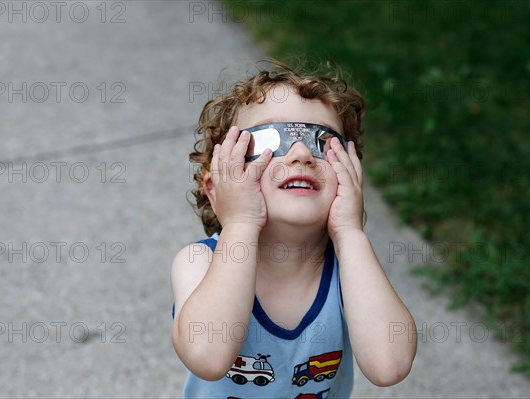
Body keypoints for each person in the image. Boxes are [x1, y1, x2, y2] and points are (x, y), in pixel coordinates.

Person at [171, 61, 416, 398]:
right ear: (217, 188)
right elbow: (207, 356)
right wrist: (241, 223)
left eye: (322, 142)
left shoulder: (350, 269)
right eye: (271, 140)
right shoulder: (199, 260)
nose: (301, 154)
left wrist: (349, 232)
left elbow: (390, 366)